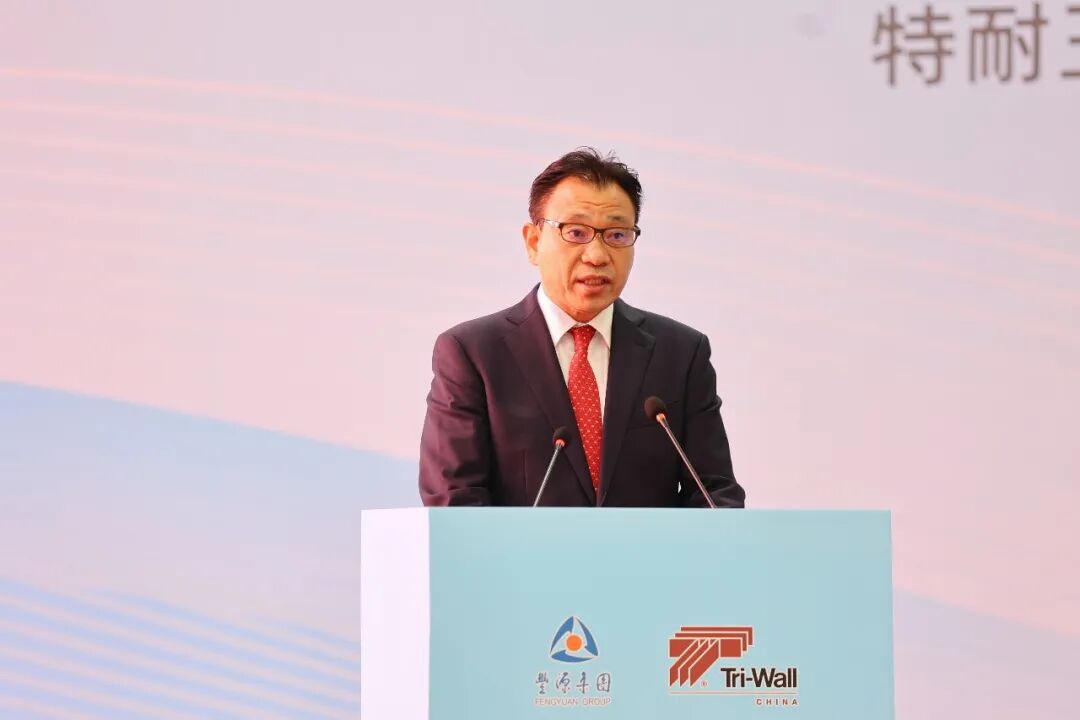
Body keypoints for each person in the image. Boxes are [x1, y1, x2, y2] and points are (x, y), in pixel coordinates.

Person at [418, 148, 745, 508]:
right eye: (575, 232)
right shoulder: (473, 354)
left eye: (617, 235)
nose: (597, 256)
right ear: (533, 242)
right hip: (522, 549)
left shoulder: (680, 354)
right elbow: (455, 502)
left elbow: (714, 494)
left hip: (649, 549)